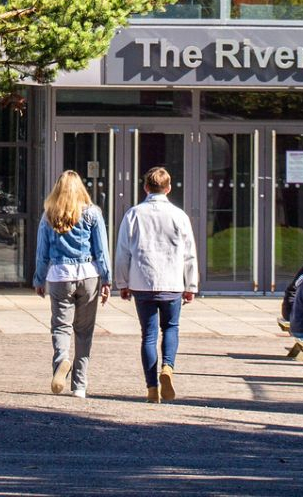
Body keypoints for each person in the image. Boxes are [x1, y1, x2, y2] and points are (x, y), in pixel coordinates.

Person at [113, 167, 198, 404]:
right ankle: (168, 367)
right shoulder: (179, 215)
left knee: (148, 335)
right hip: (171, 281)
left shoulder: (134, 214)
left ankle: (151, 388)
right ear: (169, 188)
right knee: (171, 327)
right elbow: (189, 253)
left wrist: (122, 282)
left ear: (145, 188)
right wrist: (191, 284)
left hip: (143, 281)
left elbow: (123, 252)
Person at [32, 170, 112, 398]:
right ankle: (80, 385)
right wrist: (106, 279)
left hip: (59, 275)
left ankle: (61, 362)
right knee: (84, 331)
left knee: (61, 326)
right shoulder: (93, 214)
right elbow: (101, 251)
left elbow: (42, 253)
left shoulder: (49, 214)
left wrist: (39, 279)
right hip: (88, 275)